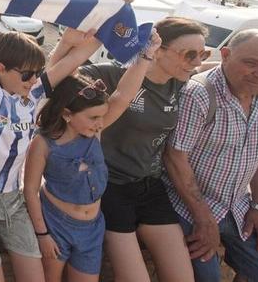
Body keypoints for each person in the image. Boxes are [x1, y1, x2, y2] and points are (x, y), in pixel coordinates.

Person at [0, 0, 133, 282]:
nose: (35, 79)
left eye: (37, 73)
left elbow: (79, 56)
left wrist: (113, 9)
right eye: (27, 74)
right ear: (0, 69)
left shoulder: (33, 94)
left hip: (13, 199)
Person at [69, 17, 202, 282]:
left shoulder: (180, 82)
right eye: (190, 54)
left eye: (202, 53)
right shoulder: (111, 76)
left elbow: (219, 69)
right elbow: (60, 76)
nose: (197, 62)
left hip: (150, 187)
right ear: (159, 50)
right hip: (110, 187)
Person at [23, 30, 162, 282]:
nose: (100, 124)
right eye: (93, 118)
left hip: (92, 227)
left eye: (101, 116)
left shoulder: (93, 133)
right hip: (56, 224)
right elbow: (31, 190)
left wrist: (145, 56)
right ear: (67, 114)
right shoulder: (43, 144)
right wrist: (42, 234)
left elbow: (123, 96)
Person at [163, 29, 258, 282]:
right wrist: (204, 218)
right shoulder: (199, 94)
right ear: (225, 55)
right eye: (251, 63)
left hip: (238, 206)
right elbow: (175, 158)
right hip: (188, 207)